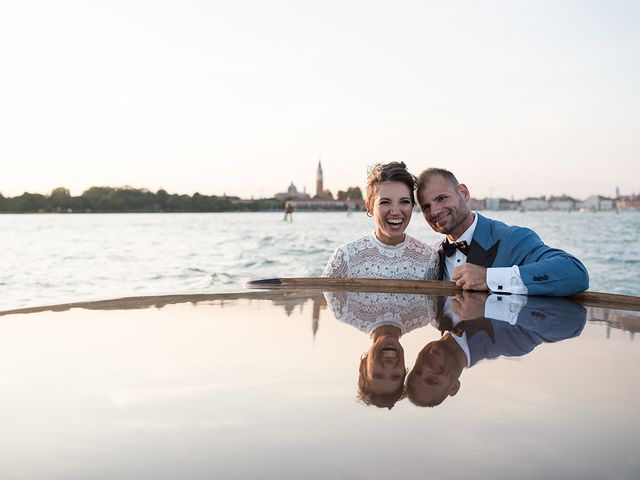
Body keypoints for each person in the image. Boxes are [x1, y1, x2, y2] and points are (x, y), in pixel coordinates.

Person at [415, 168, 589, 296]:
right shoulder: (433, 255)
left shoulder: (512, 239)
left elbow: (575, 273)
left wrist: (489, 278)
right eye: (426, 207)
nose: (435, 211)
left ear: (464, 193)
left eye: (441, 198)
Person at [406, 292, 587, 407]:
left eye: (417, 370)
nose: (427, 367)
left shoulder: (430, 313)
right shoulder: (510, 342)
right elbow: (572, 322)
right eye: (432, 380)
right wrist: (492, 304)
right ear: (454, 387)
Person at [323, 162, 439, 280]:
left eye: (404, 202)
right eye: (385, 202)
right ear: (369, 206)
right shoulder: (346, 257)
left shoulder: (429, 258)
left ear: (413, 206)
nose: (395, 211)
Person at [324, 290, 436, 408]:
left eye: (377, 374)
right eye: (396, 376)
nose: (388, 366)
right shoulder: (427, 312)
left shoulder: (343, 307)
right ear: (404, 370)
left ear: (363, 367)